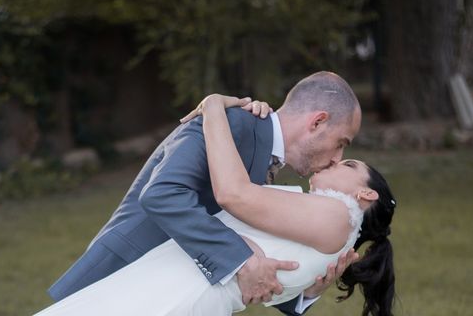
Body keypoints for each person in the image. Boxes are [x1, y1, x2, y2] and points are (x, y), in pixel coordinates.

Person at [35, 92, 396, 316]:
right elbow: (163, 195)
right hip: (126, 279)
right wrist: (240, 257)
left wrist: (305, 292)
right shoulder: (226, 122)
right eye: (341, 143)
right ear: (318, 122)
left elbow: (263, 268)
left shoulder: (279, 179)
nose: (338, 156)